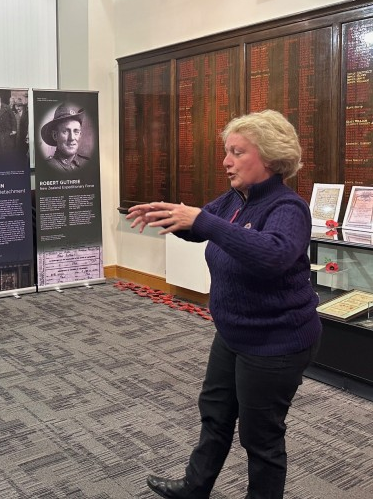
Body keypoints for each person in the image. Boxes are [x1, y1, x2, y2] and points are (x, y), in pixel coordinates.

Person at [127, 110, 322, 499]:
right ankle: (195, 488)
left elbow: (272, 255)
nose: (226, 161)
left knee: (260, 438)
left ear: (268, 157)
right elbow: (201, 230)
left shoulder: (287, 208)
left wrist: (203, 220)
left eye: (237, 152)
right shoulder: (236, 199)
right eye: (226, 151)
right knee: (215, 415)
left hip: (276, 342)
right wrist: (169, 217)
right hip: (233, 332)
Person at [41, 103, 90, 172]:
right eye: (65, 131)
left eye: (76, 131)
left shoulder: (88, 163)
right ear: (55, 135)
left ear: (80, 135)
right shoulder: (46, 167)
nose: (72, 138)